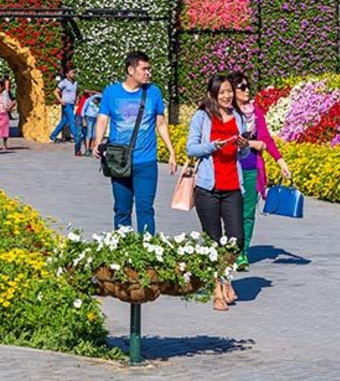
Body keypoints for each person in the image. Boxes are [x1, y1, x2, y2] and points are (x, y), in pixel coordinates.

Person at [94, 51, 178, 234]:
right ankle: (123, 249)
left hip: (146, 161)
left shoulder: (153, 92)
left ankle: (147, 250)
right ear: (131, 70)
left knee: (145, 208)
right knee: (122, 209)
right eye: (144, 69)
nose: (148, 73)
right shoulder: (111, 92)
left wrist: (171, 152)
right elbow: (102, 119)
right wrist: (97, 142)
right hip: (119, 158)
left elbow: (161, 123)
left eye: (149, 69)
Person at [185, 74, 248, 311]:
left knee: (236, 240)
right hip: (208, 188)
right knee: (213, 240)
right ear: (212, 94)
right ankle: (217, 289)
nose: (227, 95)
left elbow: (242, 155)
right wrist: (214, 146)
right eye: (222, 92)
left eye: (229, 91)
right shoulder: (202, 117)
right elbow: (191, 148)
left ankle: (225, 277)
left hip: (233, 186)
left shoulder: (237, 118)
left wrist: (242, 148)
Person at [231, 70, 291, 271]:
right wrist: (252, 143)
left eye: (248, 86)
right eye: (242, 87)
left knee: (247, 213)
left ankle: (242, 253)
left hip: (250, 168)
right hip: (230, 168)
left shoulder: (255, 113)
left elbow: (266, 139)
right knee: (231, 212)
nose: (247, 90)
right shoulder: (226, 113)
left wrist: (280, 161)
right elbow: (226, 139)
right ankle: (228, 249)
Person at [50, 68, 80, 154]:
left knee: (64, 121)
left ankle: (53, 136)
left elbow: (76, 92)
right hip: (66, 104)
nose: (73, 74)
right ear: (67, 74)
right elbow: (56, 91)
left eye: (74, 73)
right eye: (71, 73)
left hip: (71, 104)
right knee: (72, 121)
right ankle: (76, 137)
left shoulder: (75, 83)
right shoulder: (63, 82)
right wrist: (60, 100)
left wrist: (76, 100)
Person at [0, 78, 14, 152]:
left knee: (4, 130)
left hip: (4, 114)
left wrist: (9, 107)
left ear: (2, 87)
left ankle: (5, 144)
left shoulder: (6, 94)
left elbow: (14, 100)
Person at [81, 89, 103, 154]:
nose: (97, 101)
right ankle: (87, 149)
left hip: (96, 117)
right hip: (89, 117)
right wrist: (83, 119)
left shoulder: (100, 101)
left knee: (94, 134)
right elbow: (83, 110)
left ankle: (92, 148)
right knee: (89, 134)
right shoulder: (89, 100)